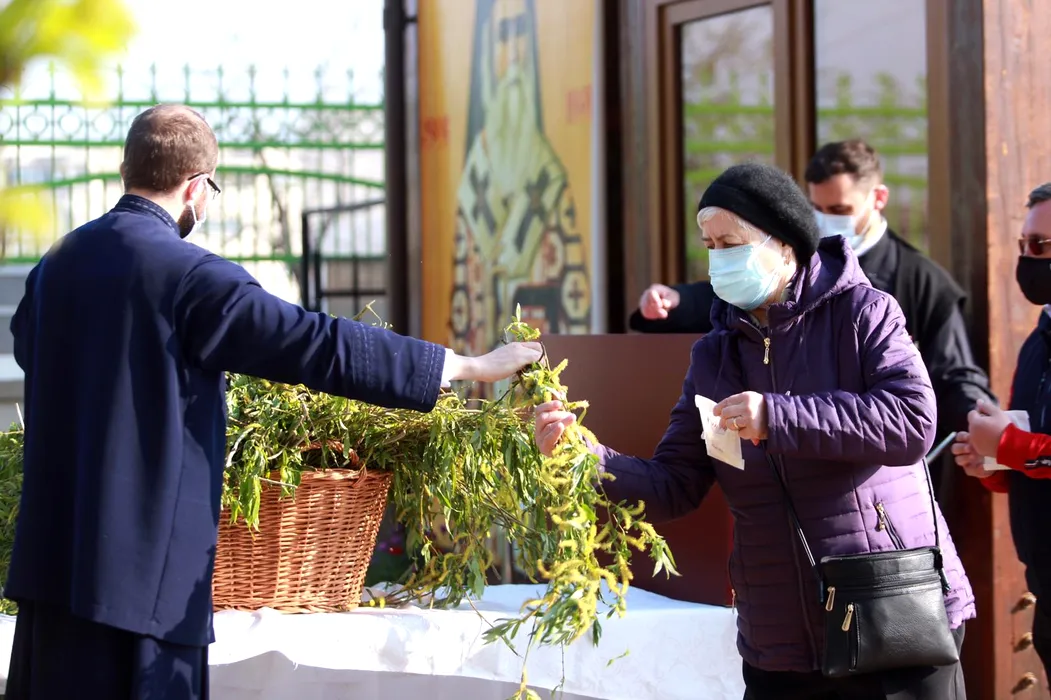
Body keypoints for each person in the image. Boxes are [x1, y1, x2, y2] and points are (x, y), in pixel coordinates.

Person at [3, 104, 542, 700]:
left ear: (126, 170)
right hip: (143, 585)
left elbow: (35, 352)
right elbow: (313, 343)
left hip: (51, 576)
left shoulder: (56, 266)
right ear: (196, 187)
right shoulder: (191, 275)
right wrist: (466, 365)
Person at [538, 163, 974, 699]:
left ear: (785, 246)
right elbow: (675, 484)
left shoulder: (864, 312)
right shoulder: (714, 356)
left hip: (889, 611)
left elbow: (911, 422)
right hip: (779, 634)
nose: (719, 259)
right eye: (710, 246)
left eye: (732, 244)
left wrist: (778, 417)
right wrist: (587, 459)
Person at [630, 140, 995, 497]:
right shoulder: (733, 326)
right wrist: (677, 302)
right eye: (816, 208)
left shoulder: (907, 287)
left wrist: (985, 431)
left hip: (887, 501)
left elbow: (937, 392)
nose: (826, 220)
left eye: (839, 208)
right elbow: (675, 477)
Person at [952, 181, 1051, 682]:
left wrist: (1008, 445)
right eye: (1024, 244)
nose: (1028, 258)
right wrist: (990, 463)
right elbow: (1033, 461)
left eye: (1041, 245)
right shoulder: (1038, 339)